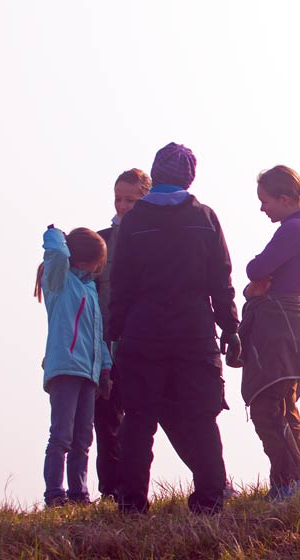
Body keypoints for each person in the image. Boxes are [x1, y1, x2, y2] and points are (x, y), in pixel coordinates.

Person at [109, 142, 241, 514]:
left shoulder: (134, 221)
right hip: (194, 332)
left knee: (138, 420)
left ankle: (132, 503)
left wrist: (114, 333)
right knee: (201, 418)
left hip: (142, 333)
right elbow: (221, 280)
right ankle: (210, 499)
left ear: (155, 175)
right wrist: (230, 327)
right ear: (189, 177)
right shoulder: (205, 218)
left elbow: (121, 284)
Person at [236, 165, 300, 501]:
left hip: (280, 327)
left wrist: (253, 282)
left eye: (266, 201)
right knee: (283, 406)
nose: (262, 208)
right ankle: (286, 484)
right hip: (292, 323)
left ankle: (289, 484)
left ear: (285, 198)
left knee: (269, 408)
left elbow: (257, 269)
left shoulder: (293, 230)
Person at [35, 225, 111, 507]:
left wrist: (105, 369)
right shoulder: (59, 281)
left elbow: (97, 335)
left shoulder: (89, 289)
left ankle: (79, 494)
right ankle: (55, 493)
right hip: (65, 368)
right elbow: (55, 252)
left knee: (83, 438)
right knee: (61, 436)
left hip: (88, 374)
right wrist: (59, 235)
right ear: (86, 258)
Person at [93, 168, 151, 501]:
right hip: (105, 343)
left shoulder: (155, 240)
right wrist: (55, 260)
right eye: (118, 199)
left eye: (131, 200)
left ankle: (133, 488)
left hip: (142, 340)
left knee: (142, 418)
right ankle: (111, 489)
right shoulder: (101, 241)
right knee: (106, 417)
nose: (123, 206)